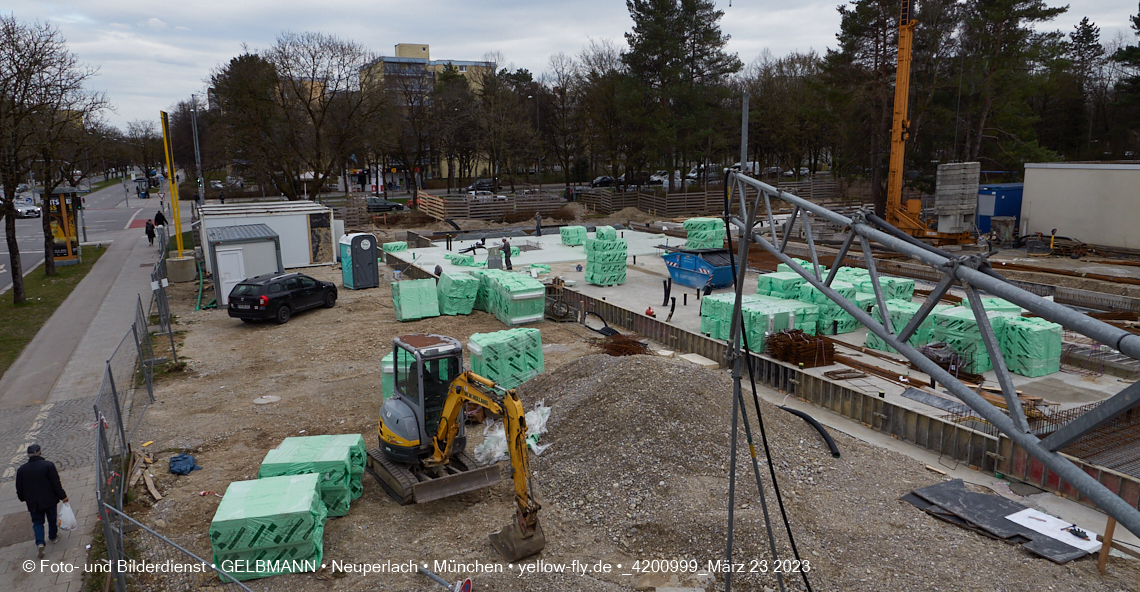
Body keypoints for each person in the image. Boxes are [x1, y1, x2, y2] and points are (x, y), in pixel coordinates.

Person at [15, 444, 68, 559]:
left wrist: (23, 498)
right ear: (40, 452)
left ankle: (40, 542)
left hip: (33, 502)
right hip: (49, 499)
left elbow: (19, 488)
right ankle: (53, 536)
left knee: (37, 522)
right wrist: (63, 496)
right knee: (52, 517)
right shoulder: (48, 465)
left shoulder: (22, 470)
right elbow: (55, 483)